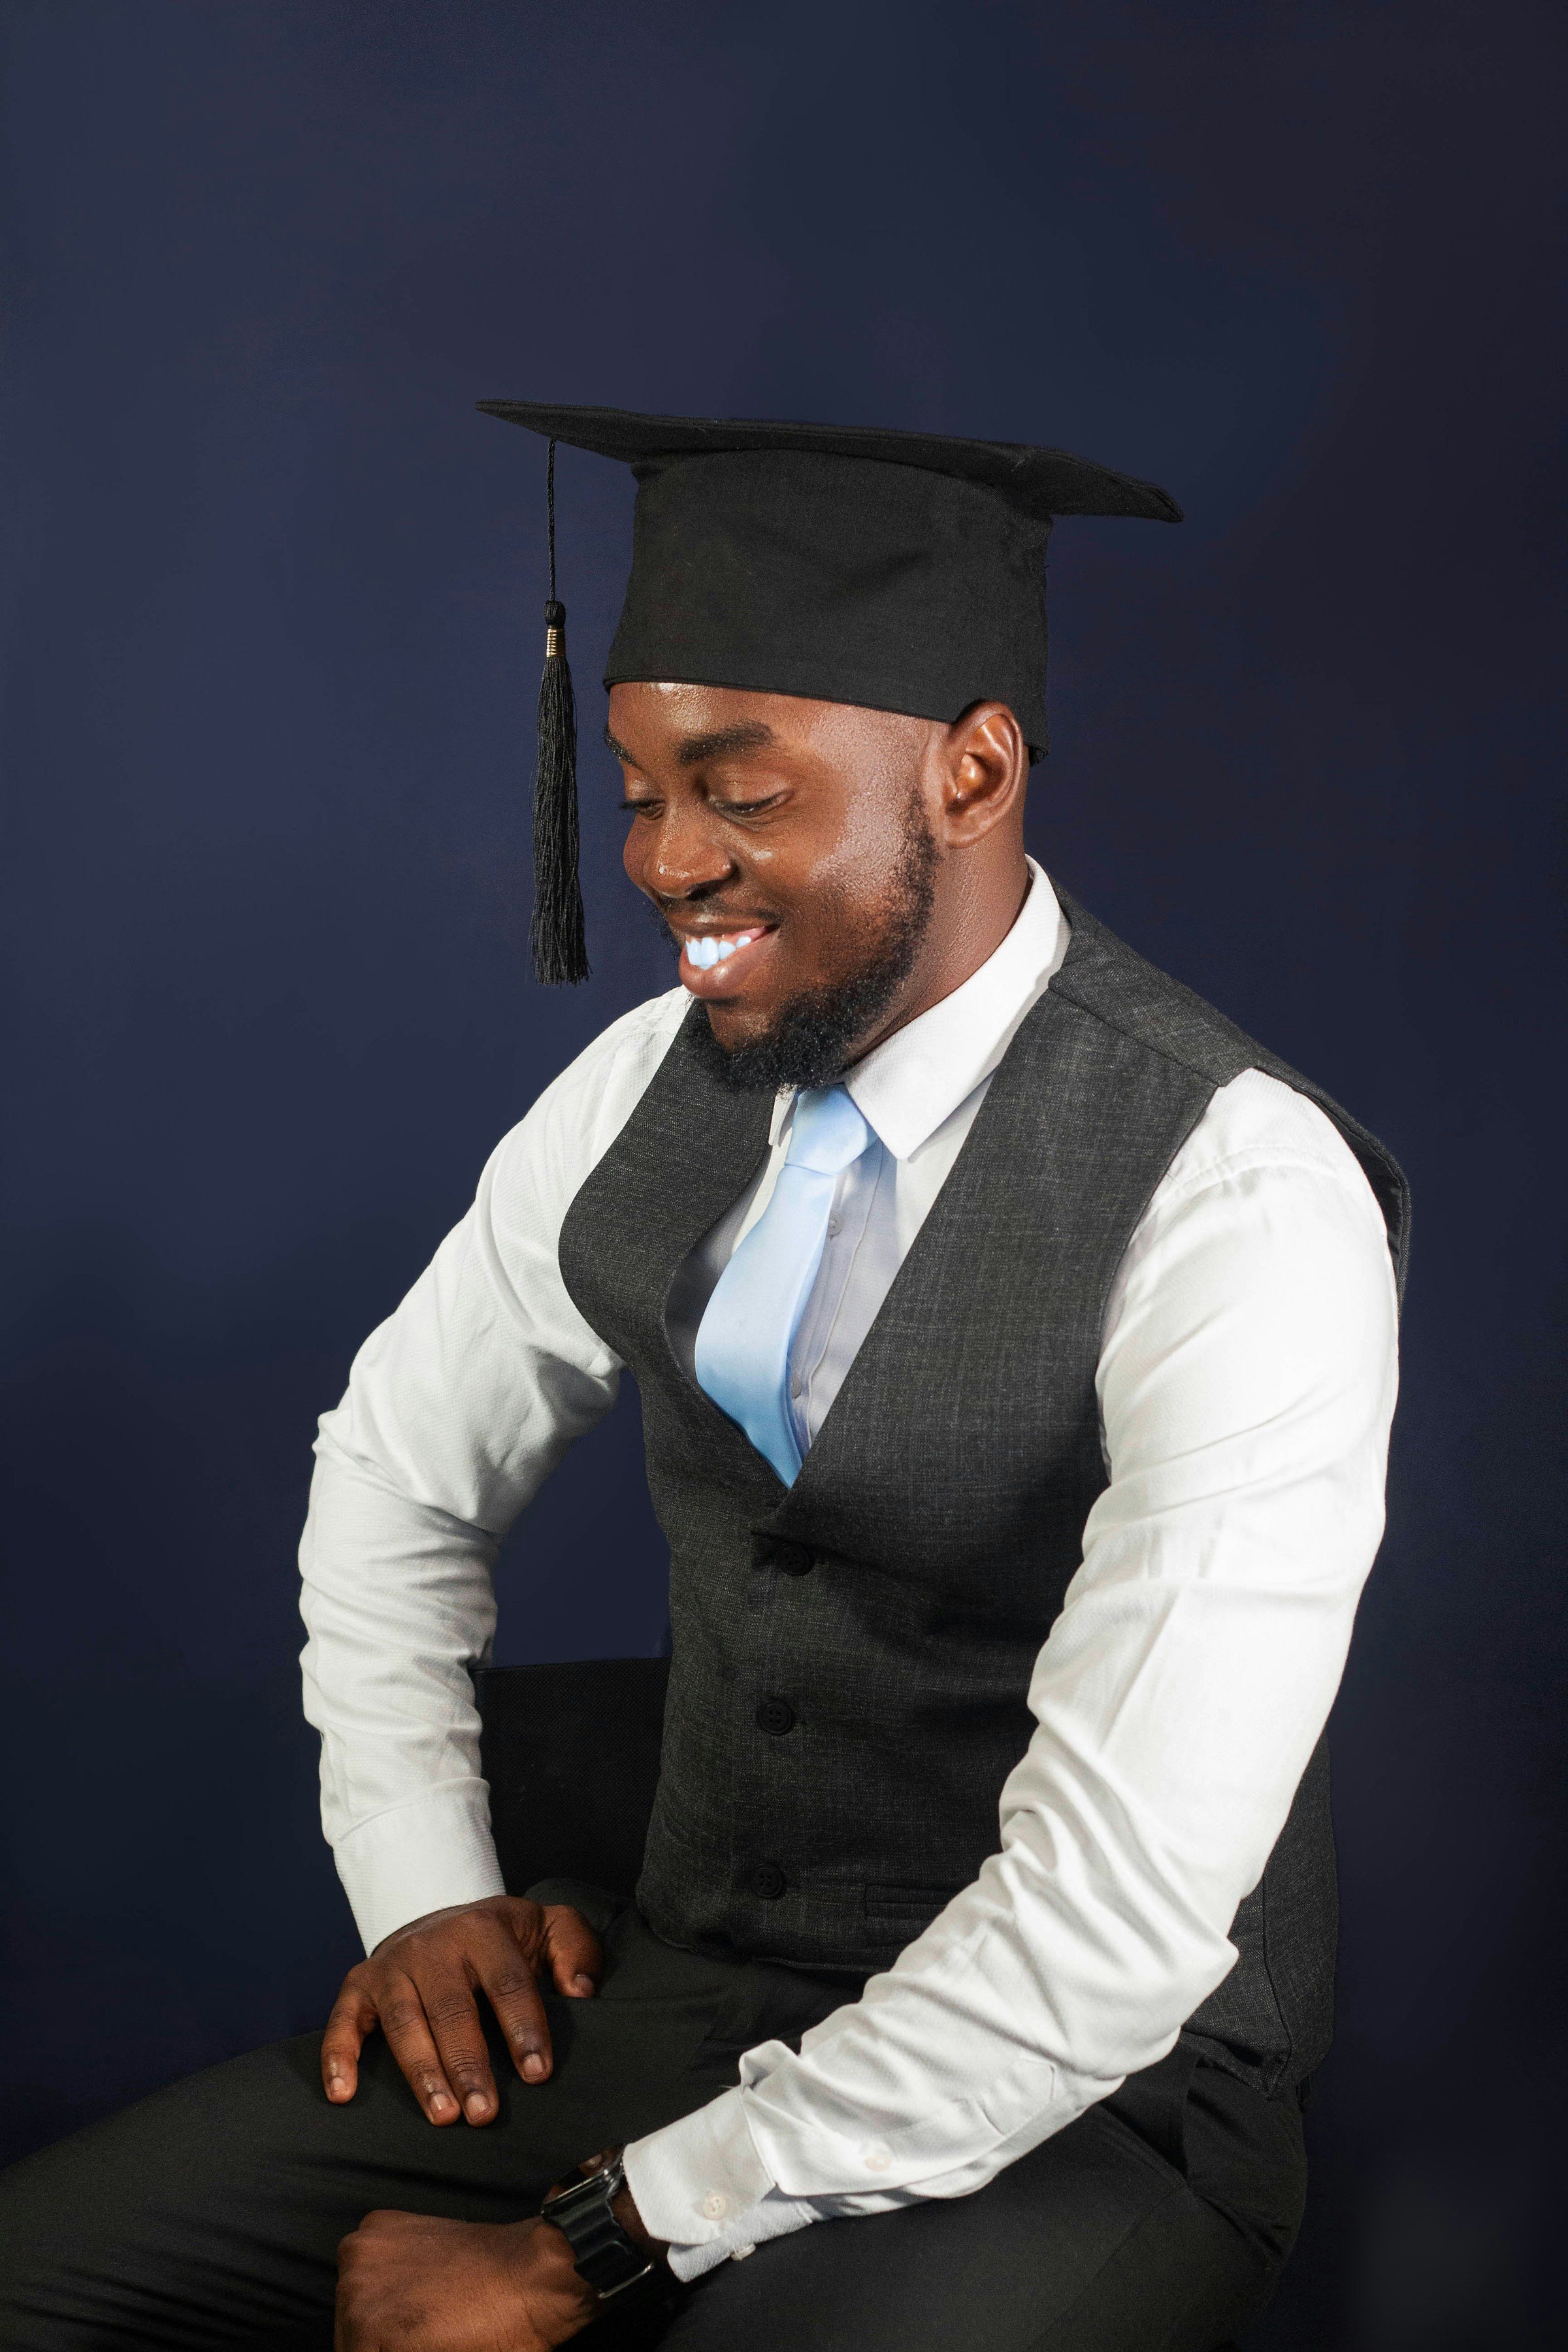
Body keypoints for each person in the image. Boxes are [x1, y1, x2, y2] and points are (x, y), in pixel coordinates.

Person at [0, 406, 1406, 2351]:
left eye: (740, 795)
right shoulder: (647, 1090)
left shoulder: (1237, 1194)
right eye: (642, 789)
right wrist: (424, 1882)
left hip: (1096, 2102)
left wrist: (586, 2244)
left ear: (973, 771)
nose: (667, 863)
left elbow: (1110, 1933)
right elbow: (392, 1475)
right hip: (682, 1995)